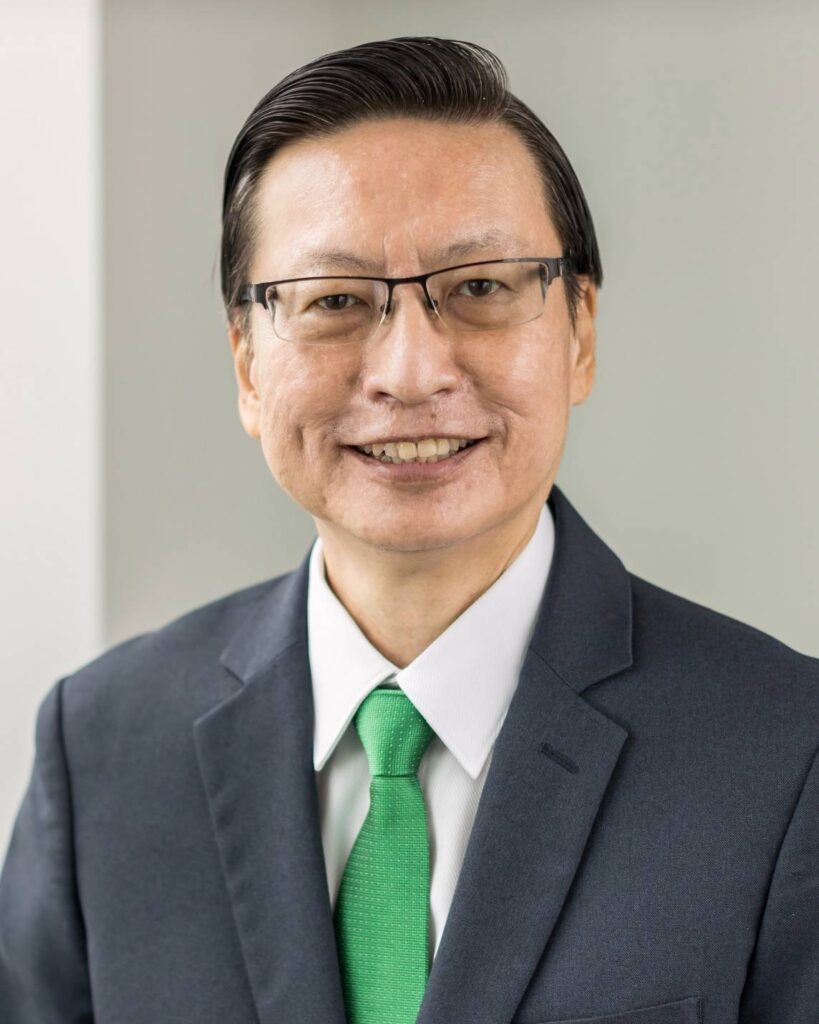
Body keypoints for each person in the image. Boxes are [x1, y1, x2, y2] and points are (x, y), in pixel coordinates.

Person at [0, 35, 817, 1024]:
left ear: (580, 332)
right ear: (247, 364)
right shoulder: (102, 747)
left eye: (480, 288)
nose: (410, 372)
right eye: (335, 301)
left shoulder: (786, 754)